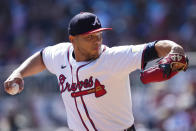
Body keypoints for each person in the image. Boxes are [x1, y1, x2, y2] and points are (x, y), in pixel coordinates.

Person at [4, 12, 188, 131]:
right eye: (90, 37)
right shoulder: (60, 54)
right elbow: (42, 58)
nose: (97, 41)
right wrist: (18, 73)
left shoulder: (113, 58)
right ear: (72, 39)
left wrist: (176, 51)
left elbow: (160, 46)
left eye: (99, 35)